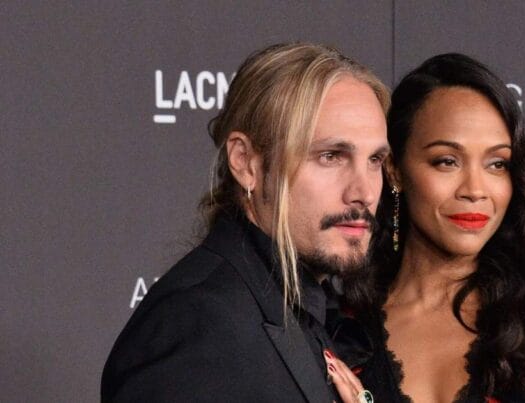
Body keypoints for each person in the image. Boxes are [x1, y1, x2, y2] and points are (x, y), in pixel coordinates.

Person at [332, 54, 525, 402]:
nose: (475, 190)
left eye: (497, 164)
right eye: (447, 161)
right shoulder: (337, 335)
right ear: (394, 169)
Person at [101, 43, 389, 403]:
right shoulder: (196, 324)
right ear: (245, 162)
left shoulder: (302, 308)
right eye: (331, 156)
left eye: (375, 160)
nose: (364, 192)